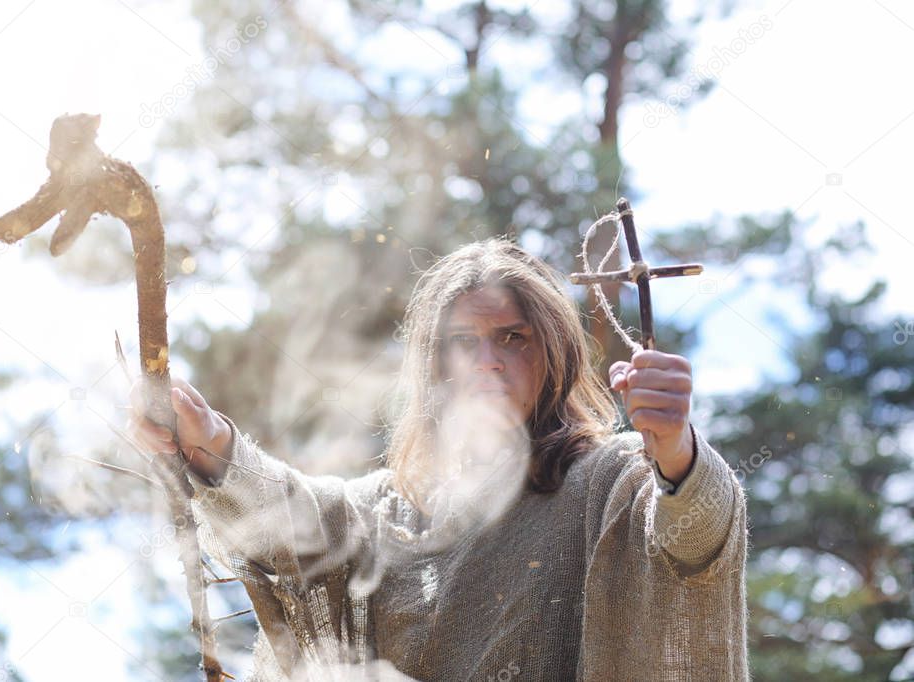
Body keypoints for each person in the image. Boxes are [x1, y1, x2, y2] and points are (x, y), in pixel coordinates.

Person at [128, 238, 748, 681]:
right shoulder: (384, 510)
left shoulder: (608, 479)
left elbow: (696, 542)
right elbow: (288, 523)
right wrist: (208, 440)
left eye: (513, 337)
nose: (487, 361)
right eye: (462, 342)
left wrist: (675, 452)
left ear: (553, 351)